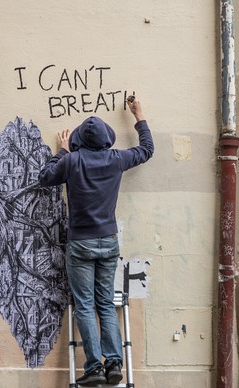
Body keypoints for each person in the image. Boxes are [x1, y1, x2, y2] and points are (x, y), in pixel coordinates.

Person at [38, 97, 154, 386]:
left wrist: (62, 151)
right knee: (105, 303)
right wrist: (138, 115)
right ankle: (114, 362)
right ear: (106, 140)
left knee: (85, 305)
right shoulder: (117, 159)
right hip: (108, 241)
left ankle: (94, 369)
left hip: (80, 244)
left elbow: (45, 177)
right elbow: (147, 150)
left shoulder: (72, 161)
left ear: (79, 141)